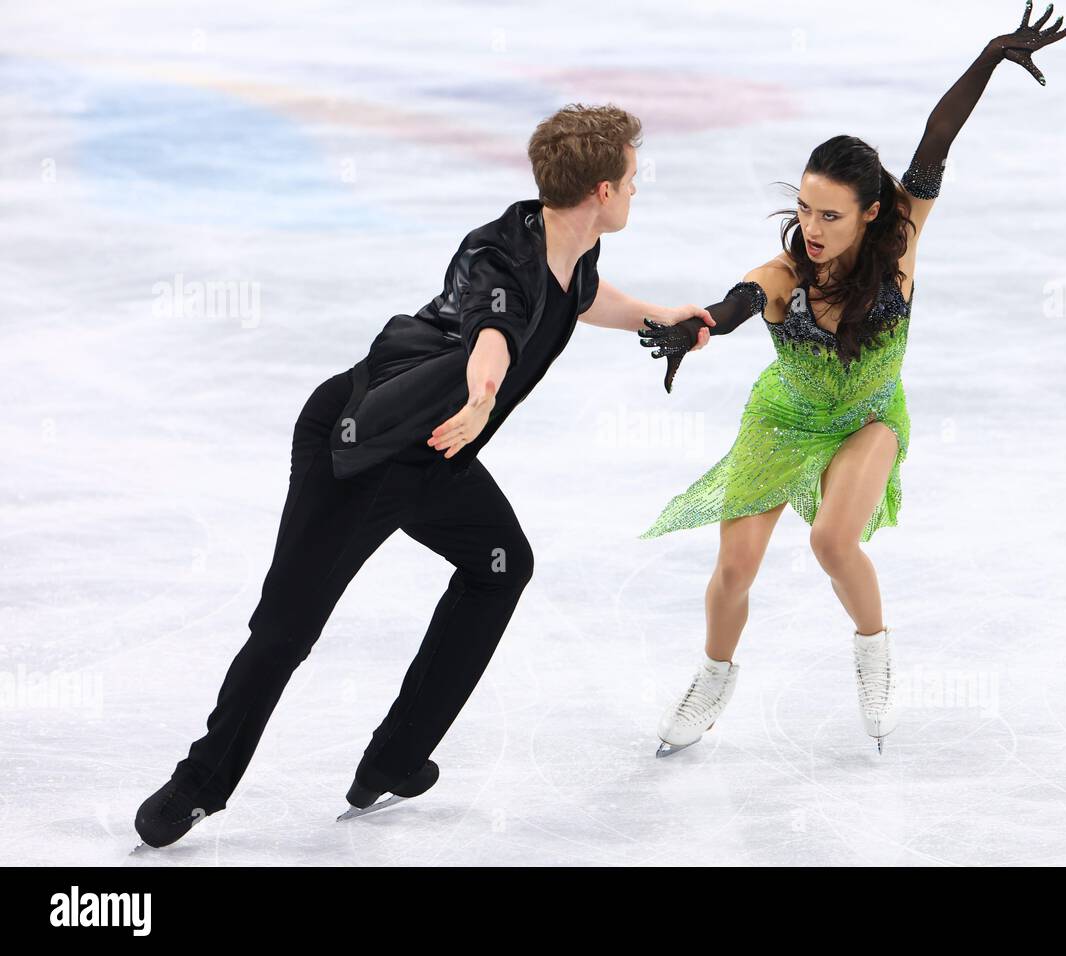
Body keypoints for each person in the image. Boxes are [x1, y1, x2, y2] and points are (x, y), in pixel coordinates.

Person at [134, 103, 716, 848]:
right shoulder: (500, 254)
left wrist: (656, 318)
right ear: (601, 189)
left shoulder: (569, 245)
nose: (639, 189)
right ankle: (197, 785)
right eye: (632, 178)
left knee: (500, 565)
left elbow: (578, 295)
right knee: (289, 625)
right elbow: (493, 333)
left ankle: (396, 757)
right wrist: (481, 398)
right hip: (360, 446)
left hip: (435, 452)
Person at [637, 2, 1066, 756]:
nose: (812, 226)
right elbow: (733, 306)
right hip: (784, 419)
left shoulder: (902, 235)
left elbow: (936, 138)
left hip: (870, 417)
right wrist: (689, 327)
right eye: (805, 208)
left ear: (873, 214)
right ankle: (713, 676)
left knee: (835, 543)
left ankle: (873, 653)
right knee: (734, 567)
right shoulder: (781, 275)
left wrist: (989, 56)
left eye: (832, 215)